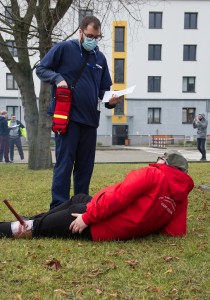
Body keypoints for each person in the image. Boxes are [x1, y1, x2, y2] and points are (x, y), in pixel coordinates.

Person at [0, 151, 194, 241]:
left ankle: (19, 227)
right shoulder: (181, 196)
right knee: (79, 197)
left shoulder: (153, 174)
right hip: (107, 216)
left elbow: (119, 197)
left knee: (38, 227)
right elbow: (175, 232)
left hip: (98, 223)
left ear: (165, 163)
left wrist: (87, 217)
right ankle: (34, 220)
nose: (156, 161)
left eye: (160, 159)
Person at [36, 16, 119, 209]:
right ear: (80, 32)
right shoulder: (64, 48)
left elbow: (104, 91)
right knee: (64, 164)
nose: (93, 40)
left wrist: (112, 101)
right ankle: (58, 207)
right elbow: (41, 69)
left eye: (96, 37)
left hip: (90, 121)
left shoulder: (100, 58)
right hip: (67, 119)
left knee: (85, 168)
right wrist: (57, 78)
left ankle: (81, 206)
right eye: (89, 35)